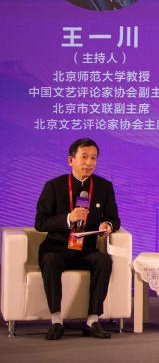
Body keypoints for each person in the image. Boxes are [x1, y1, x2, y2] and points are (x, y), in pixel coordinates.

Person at [34, 138, 120, 339]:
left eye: (93, 158)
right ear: (71, 160)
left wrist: (108, 226)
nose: (89, 163)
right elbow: (40, 222)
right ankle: (56, 321)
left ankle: (92, 321)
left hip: (86, 249)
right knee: (50, 260)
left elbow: (114, 218)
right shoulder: (53, 186)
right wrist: (68, 218)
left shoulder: (104, 187)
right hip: (57, 248)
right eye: (84, 157)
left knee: (104, 261)